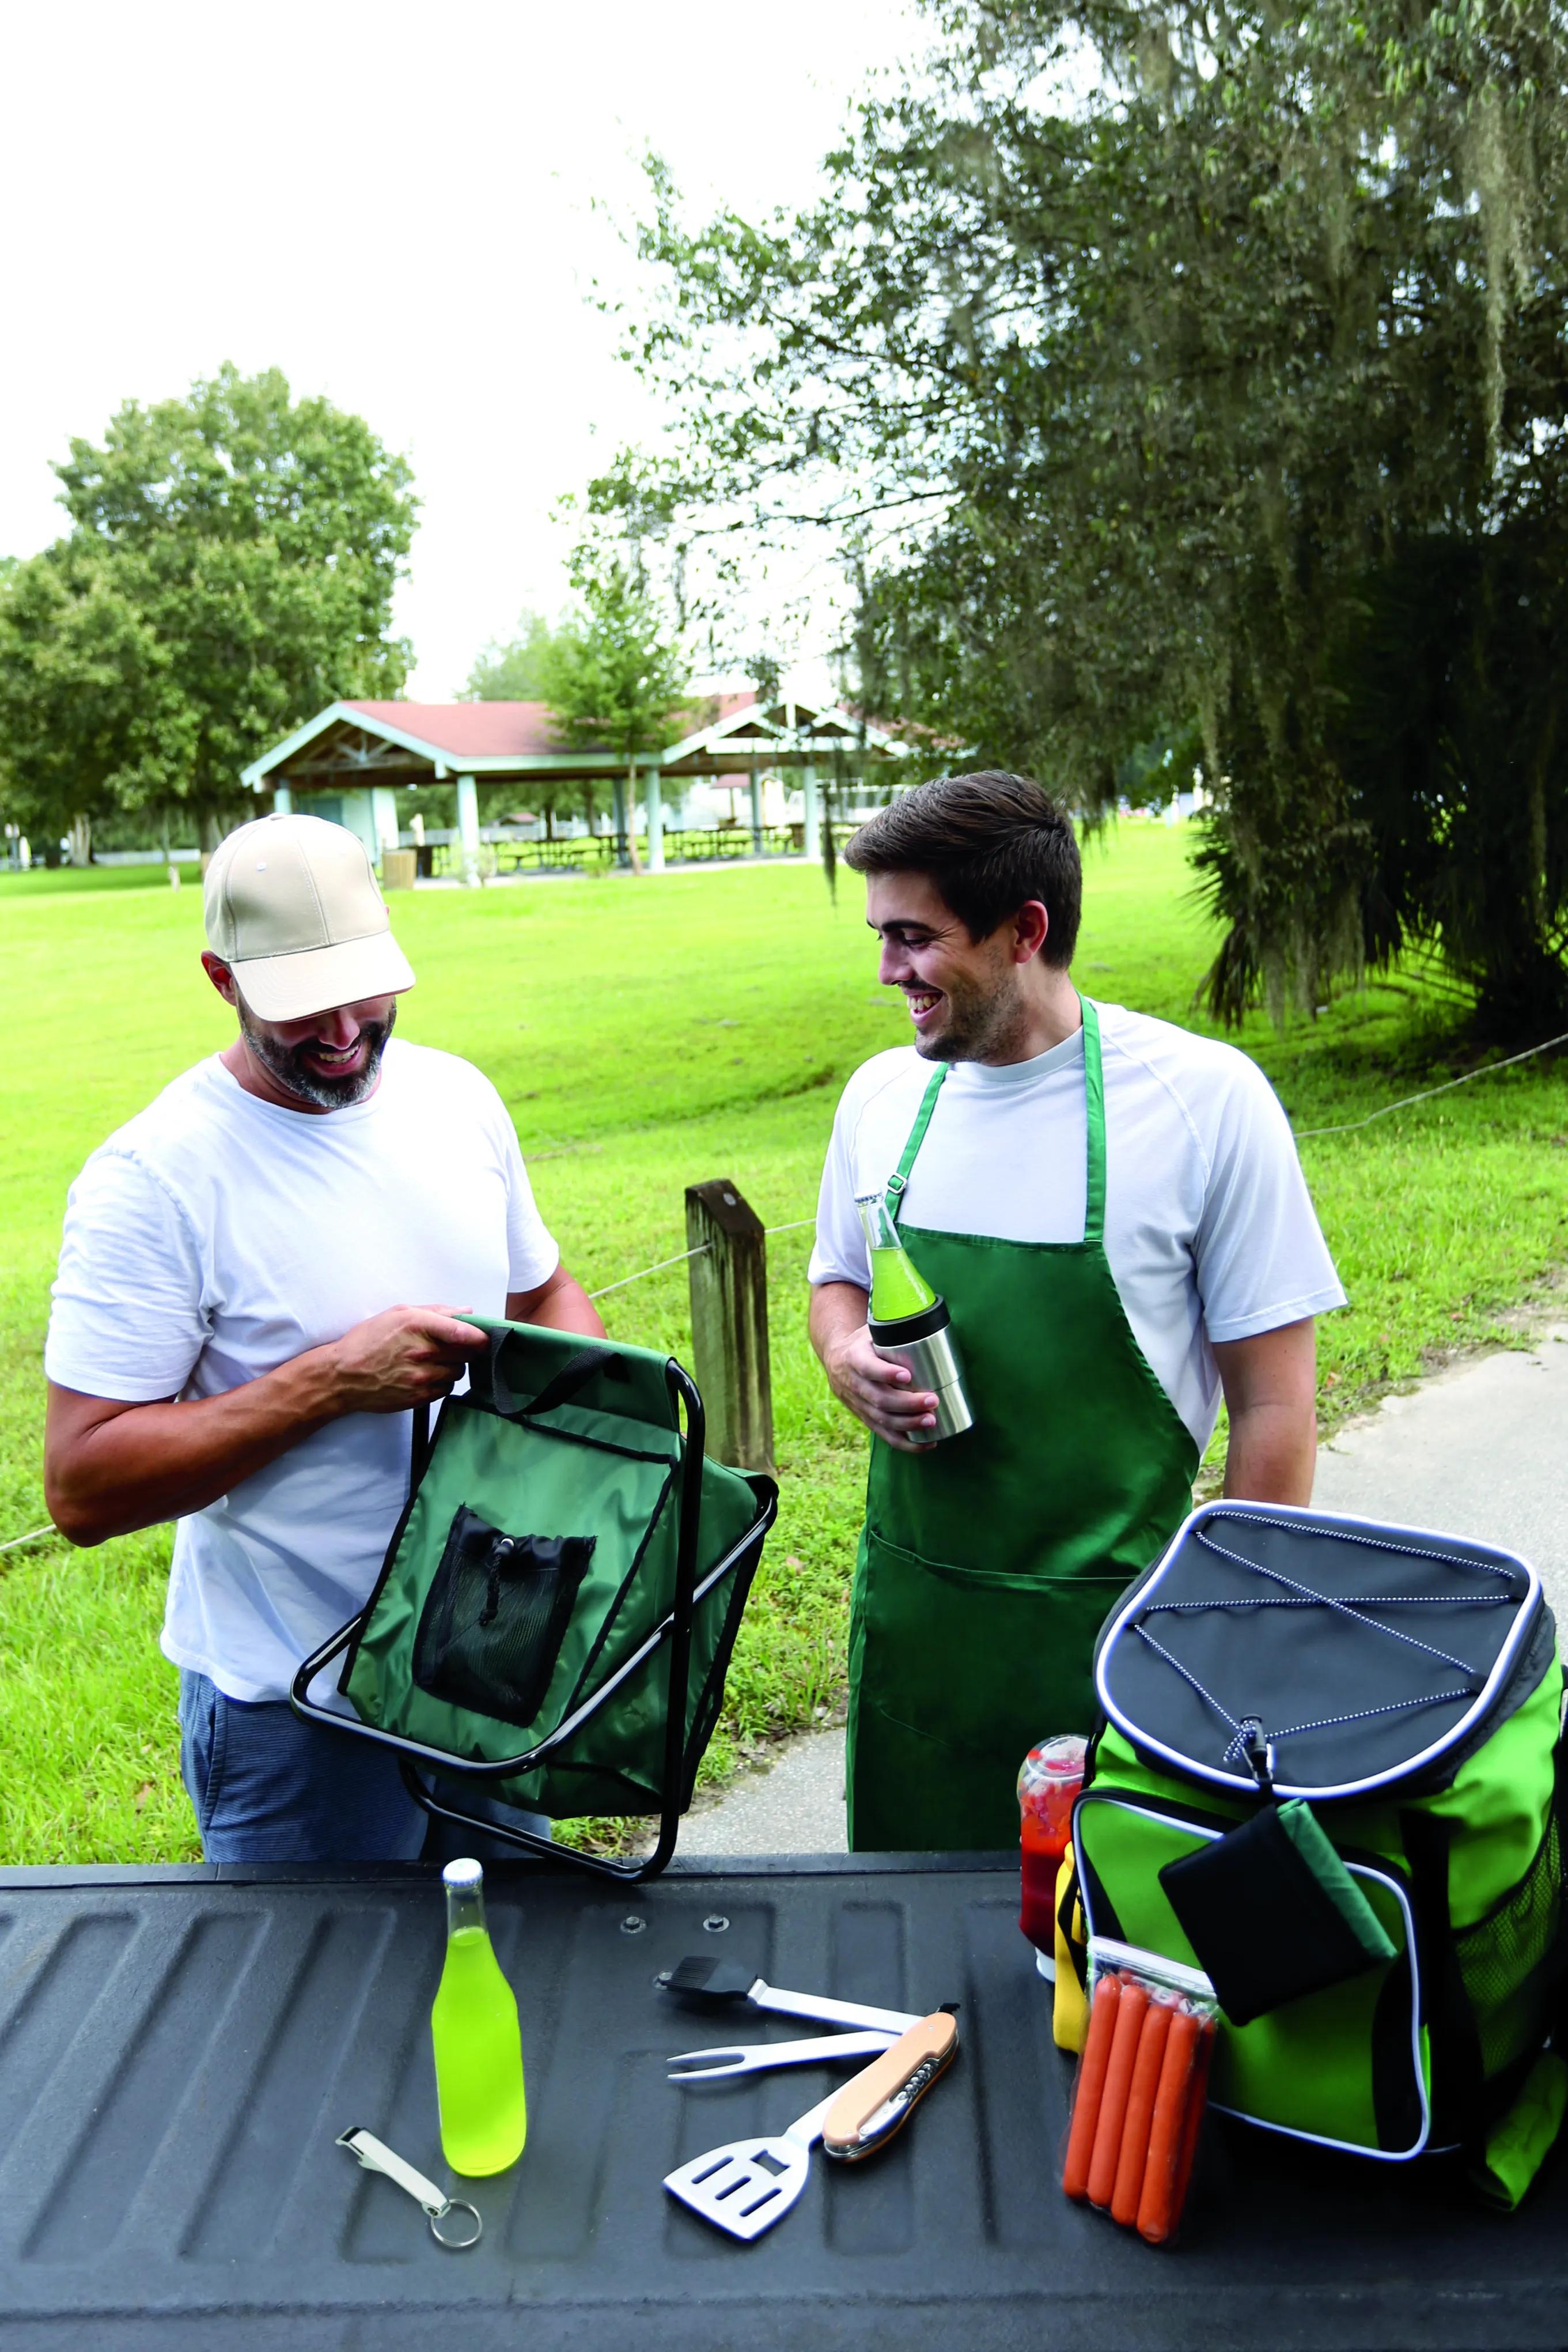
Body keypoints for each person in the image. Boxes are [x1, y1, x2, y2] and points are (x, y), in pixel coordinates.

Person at [43, 810, 605, 1863]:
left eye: (366, 990)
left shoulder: (456, 1098)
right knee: (311, 2021)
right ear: (223, 978)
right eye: (304, 1005)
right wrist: (331, 1382)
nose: (344, 1030)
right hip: (295, 1719)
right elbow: (81, 1485)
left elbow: (548, 1294)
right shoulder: (154, 1178)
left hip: (491, 1664)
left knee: (513, 1991)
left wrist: (570, 1443)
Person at [809, 773, 1346, 1851]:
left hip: (1117, 1653)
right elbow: (837, 1280)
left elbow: (1276, 1405)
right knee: (912, 1970)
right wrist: (839, 1353)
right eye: (879, 935)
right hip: (921, 1647)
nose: (886, 971)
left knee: (1099, 1992)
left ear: (1025, 931)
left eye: (913, 937)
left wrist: (1217, 1638)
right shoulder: (880, 1097)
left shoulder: (1204, 1101)